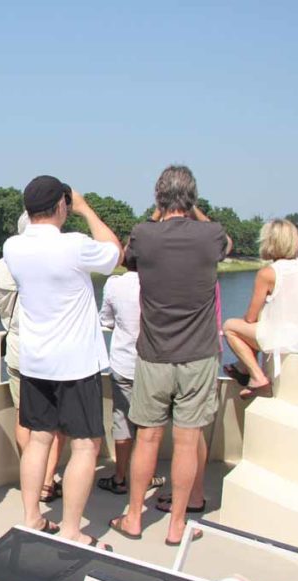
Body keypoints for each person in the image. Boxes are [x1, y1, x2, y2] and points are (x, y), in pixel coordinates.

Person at [109, 166, 232, 546]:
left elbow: (129, 257)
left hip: (154, 355)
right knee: (186, 440)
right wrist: (194, 210)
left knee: (147, 438)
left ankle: (133, 518)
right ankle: (178, 525)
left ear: (158, 198)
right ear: (193, 199)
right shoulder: (211, 235)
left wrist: (161, 212)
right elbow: (225, 243)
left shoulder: (144, 234)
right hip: (199, 357)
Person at [3, 176, 121, 547]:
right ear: (61, 206)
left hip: (36, 362)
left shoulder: (13, 247)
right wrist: (85, 209)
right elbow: (115, 252)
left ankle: (32, 518)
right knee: (85, 446)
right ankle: (71, 529)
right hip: (76, 363)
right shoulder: (75, 245)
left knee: (39, 440)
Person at [0, 211, 66, 503]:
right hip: (55, 352)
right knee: (55, 421)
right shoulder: (58, 258)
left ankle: (30, 474)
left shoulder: (3, 264)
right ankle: (46, 481)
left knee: (24, 416)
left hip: (20, 352)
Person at [223, 218, 298, 399]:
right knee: (260, 321)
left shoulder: (268, 273)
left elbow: (250, 318)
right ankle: (243, 368)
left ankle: (257, 377)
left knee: (230, 327)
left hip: (288, 340)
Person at [95, 266, 166, 496]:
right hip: (155, 365)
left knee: (122, 421)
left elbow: (105, 319)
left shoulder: (115, 284)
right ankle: (147, 477)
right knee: (151, 425)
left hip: (124, 363)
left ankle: (120, 477)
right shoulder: (163, 280)